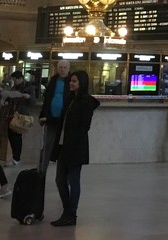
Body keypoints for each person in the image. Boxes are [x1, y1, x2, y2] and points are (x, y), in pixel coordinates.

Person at [50, 70, 100, 226]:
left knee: (73, 180)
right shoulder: (70, 99)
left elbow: (84, 127)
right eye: (71, 81)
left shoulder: (85, 102)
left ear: (82, 83)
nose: (71, 83)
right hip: (63, 146)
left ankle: (71, 213)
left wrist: (71, 143)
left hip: (75, 148)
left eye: (74, 81)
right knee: (59, 180)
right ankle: (68, 211)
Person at [39, 60, 71, 174]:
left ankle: (63, 173)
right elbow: (47, 98)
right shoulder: (53, 81)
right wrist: (43, 115)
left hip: (65, 121)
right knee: (47, 146)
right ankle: (41, 171)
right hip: (51, 118)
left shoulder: (71, 82)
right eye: (60, 67)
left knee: (64, 148)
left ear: (68, 69)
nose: (62, 69)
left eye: (64, 67)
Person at [3, 70, 33, 166]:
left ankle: (16, 157)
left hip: (20, 115)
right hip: (11, 114)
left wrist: (28, 97)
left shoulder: (28, 88)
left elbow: (33, 101)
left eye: (15, 80)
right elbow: (9, 97)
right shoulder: (14, 88)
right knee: (11, 134)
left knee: (17, 136)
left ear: (20, 78)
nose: (14, 82)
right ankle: (14, 156)